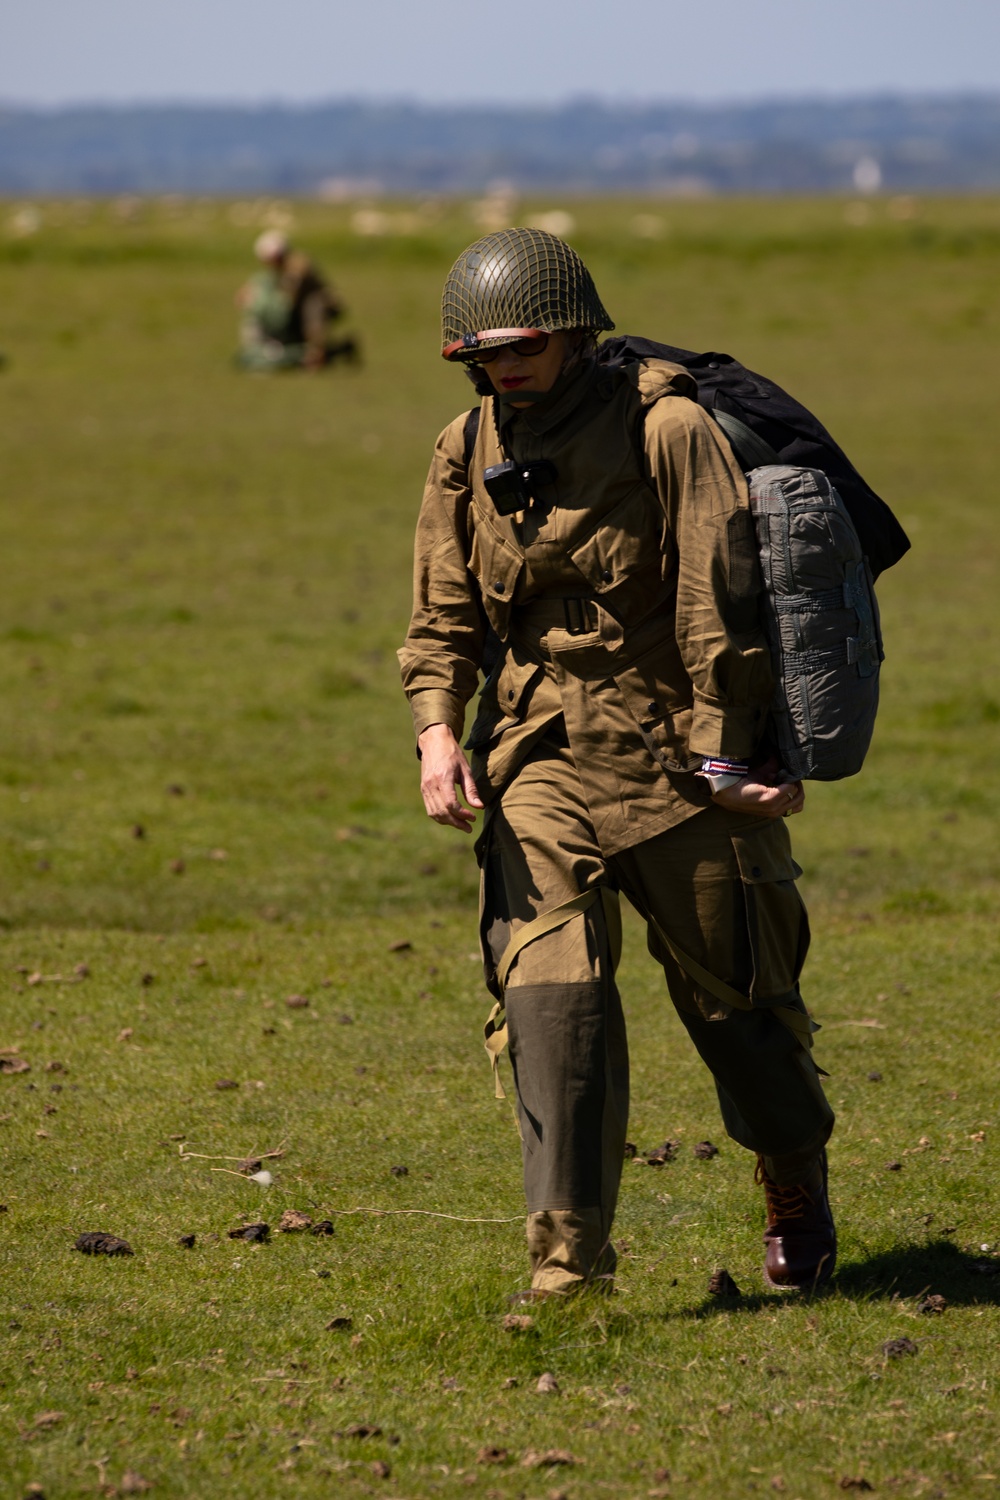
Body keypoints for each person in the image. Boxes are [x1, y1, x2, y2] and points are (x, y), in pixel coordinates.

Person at [398, 227, 836, 1301]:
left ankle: (792, 1180)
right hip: (539, 748)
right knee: (552, 992)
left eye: (525, 345)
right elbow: (441, 607)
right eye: (483, 354)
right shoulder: (465, 444)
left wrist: (733, 755)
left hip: (676, 749)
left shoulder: (668, 426)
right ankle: (568, 1262)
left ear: (574, 329)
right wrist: (437, 730)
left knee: (743, 1005)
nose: (504, 368)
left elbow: (715, 601)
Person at [235, 229, 359, 371]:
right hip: (296, 310)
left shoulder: (298, 265)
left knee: (313, 309)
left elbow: (290, 294)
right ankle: (340, 350)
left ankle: (317, 356)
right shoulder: (275, 271)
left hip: (317, 307)